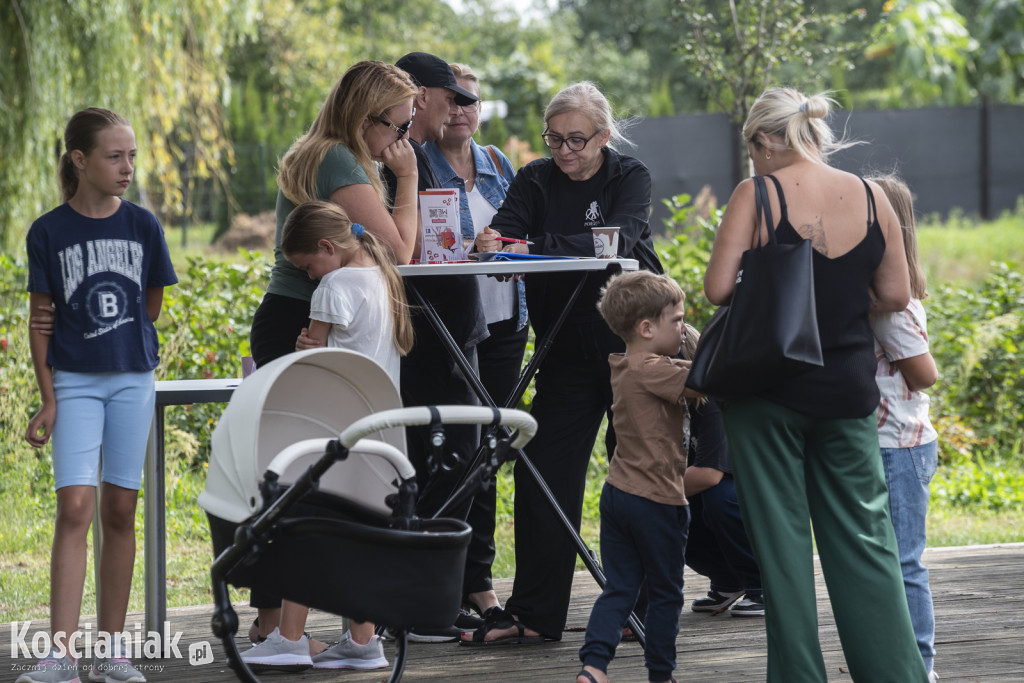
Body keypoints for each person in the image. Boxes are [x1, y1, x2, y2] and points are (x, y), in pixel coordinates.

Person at [703, 88, 929, 682]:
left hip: (767, 394)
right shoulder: (873, 195)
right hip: (848, 394)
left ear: (765, 140)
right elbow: (896, 295)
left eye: (753, 149)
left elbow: (718, 289)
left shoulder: (758, 193)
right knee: (867, 545)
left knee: (782, 558)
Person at [466, 82, 663, 645]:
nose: (565, 150)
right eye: (555, 138)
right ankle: (533, 613)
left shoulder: (629, 176)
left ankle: (641, 608)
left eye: (577, 139)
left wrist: (535, 247)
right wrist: (493, 244)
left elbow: (618, 239)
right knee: (543, 474)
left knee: (637, 477)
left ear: (604, 136)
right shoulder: (534, 177)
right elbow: (505, 233)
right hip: (562, 345)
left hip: (633, 343)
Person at [244, 60, 419, 655]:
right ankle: (287, 630)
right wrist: (410, 182)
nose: (399, 141)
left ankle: (304, 628)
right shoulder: (340, 160)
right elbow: (400, 250)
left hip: (290, 315)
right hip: (306, 319)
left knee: (306, 477)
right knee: (311, 482)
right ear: (365, 118)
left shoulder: (315, 150)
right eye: (395, 127)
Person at [19, 107, 178, 683]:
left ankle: (112, 652)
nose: (128, 166)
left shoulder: (143, 225)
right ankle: (59, 655)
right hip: (74, 383)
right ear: (79, 160)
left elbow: (151, 304)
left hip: (132, 378)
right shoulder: (48, 231)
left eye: (132, 155)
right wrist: (48, 396)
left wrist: (117, 341)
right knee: (75, 508)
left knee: (120, 508)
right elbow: (41, 320)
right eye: (115, 156)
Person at [421, 62, 525, 624]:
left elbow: (518, 230)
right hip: (453, 326)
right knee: (453, 451)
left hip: (508, 321)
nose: (462, 109)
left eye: (472, 101)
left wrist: (507, 243)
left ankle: (479, 581)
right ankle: (445, 581)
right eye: (453, 100)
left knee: (489, 450)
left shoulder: (498, 164)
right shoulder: (415, 161)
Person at [575, 271, 691, 683]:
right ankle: (661, 674)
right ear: (646, 328)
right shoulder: (656, 370)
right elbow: (708, 380)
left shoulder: (624, 365)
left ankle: (593, 667)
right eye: (677, 319)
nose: (684, 325)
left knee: (620, 588)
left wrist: (681, 340)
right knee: (665, 593)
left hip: (618, 493)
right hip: (657, 500)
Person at [867, 173, 941, 683]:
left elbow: (924, 374)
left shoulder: (888, 306)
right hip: (892, 444)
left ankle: (918, 666)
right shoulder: (886, 297)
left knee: (903, 562)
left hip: (900, 448)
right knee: (888, 561)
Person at [679, 323, 764, 617]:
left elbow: (708, 474)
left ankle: (763, 586)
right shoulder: (665, 404)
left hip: (753, 491)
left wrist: (650, 489)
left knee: (719, 499)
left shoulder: (710, 402)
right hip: (708, 488)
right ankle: (729, 582)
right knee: (670, 512)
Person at [281, 200, 413, 389]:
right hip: (385, 406)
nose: (310, 276)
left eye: (307, 267)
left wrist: (303, 348)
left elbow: (312, 361)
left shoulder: (332, 285)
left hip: (345, 406)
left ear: (326, 246)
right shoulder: (385, 273)